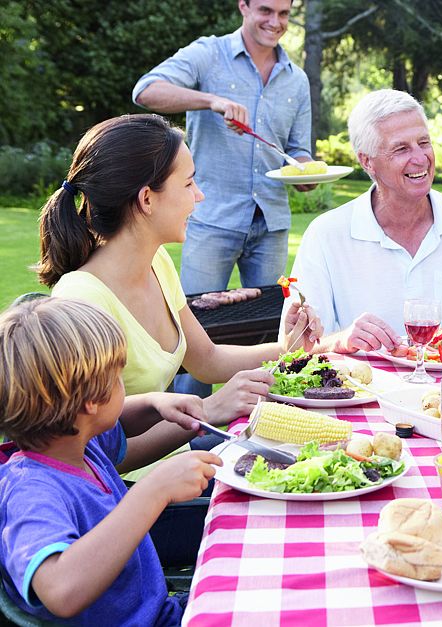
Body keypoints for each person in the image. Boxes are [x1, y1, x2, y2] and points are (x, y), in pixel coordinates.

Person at [35, 114, 321, 475]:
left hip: (180, 464)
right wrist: (209, 411)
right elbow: (91, 455)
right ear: (146, 199)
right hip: (130, 499)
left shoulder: (156, 262)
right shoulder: (82, 302)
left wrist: (289, 349)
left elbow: (208, 360)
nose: (199, 196)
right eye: (188, 184)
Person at [0, 297, 222, 624]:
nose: (124, 387)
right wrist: (152, 492)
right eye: (118, 377)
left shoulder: (76, 444)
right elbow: (61, 590)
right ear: (91, 400)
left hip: (163, 613)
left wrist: (154, 403)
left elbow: (119, 419)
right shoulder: (30, 493)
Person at [133, 0, 315, 397]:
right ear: (244, 6)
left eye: (284, 15)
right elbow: (145, 91)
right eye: (266, 10)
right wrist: (210, 100)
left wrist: (306, 172)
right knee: (193, 334)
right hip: (209, 216)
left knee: (270, 331)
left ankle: (261, 429)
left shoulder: (296, 80)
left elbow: (299, 150)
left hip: (271, 222)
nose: (275, 22)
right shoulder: (207, 54)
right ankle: (188, 432)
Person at [282, 89, 442, 353]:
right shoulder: (325, 235)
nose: (419, 158)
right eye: (401, 148)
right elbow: (295, 347)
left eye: (424, 143)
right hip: (360, 392)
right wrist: (341, 340)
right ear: (367, 161)